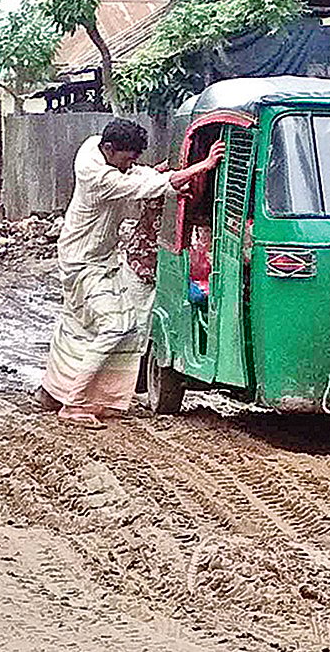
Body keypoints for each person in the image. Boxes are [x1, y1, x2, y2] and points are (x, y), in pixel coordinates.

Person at [36, 119, 223, 428]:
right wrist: (203, 165)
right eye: (128, 157)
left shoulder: (95, 147)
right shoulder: (98, 176)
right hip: (82, 262)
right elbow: (146, 184)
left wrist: (167, 170)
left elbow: (141, 173)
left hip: (102, 257)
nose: (131, 163)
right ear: (109, 149)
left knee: (79, 323)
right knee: (115, 325)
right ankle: (76, 404)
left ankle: (52, 391)